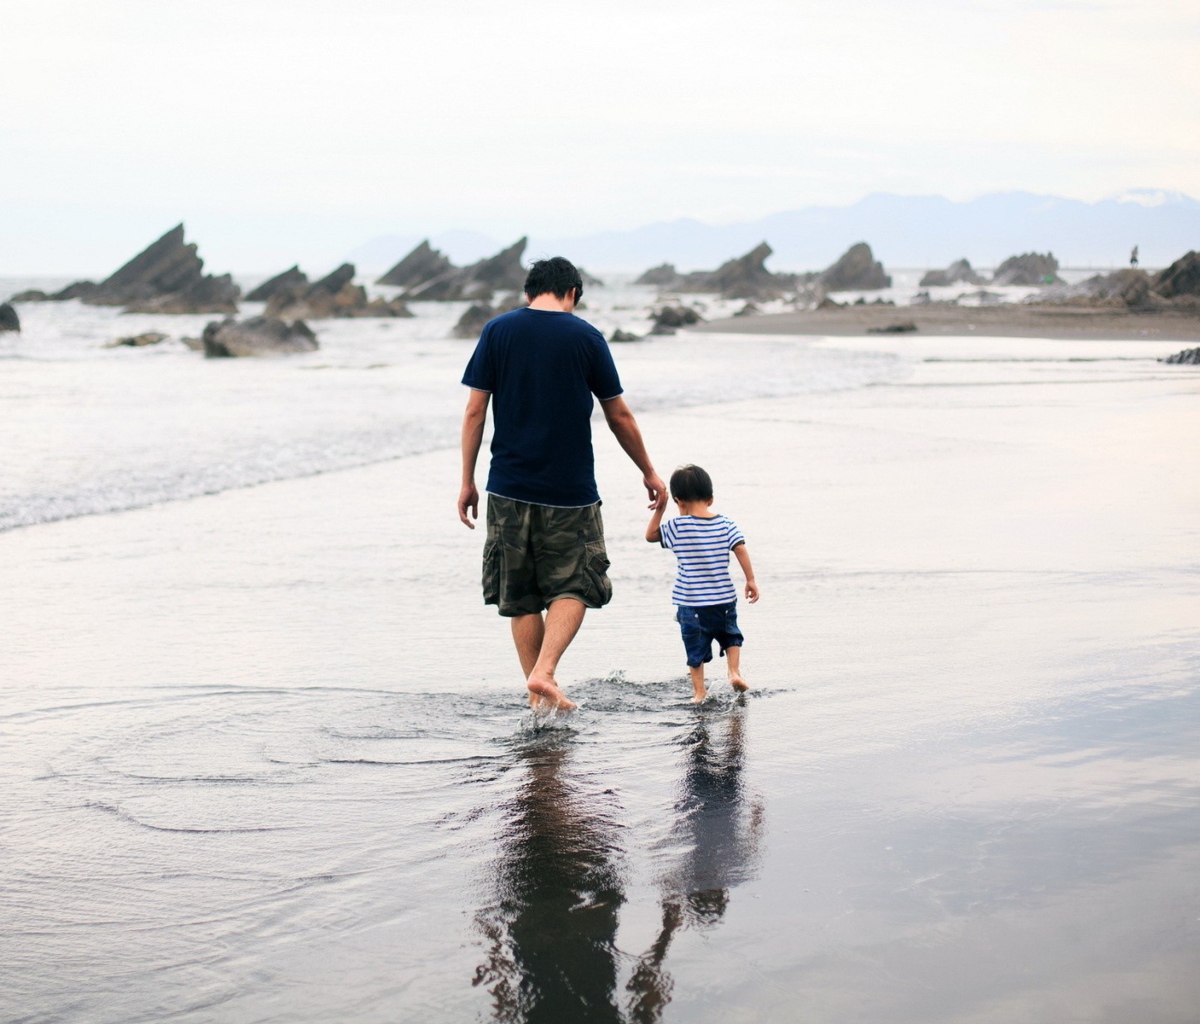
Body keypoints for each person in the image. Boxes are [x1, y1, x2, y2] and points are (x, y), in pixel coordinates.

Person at [458, 256, 667, 711]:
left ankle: (539, 700)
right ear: (572, 292)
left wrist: (467, 480)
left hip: (507, 488)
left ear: (530, 291)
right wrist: (648, 470)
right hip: (569, 491)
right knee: (575, 583)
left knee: (521, 594)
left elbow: (475, 411)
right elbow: (618, 415)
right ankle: (545, 673)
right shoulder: (586, 337)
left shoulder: (497, 331)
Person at [646, 464, 758, 702]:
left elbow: (651, 535)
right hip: (724, 599)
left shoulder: (677, 527)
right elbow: (740, 549)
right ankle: (734, 672)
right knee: (731, 635)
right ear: (710, 499)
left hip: (691, 604)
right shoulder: (726, 524)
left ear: (680, 502)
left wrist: (661, 508)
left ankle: (699, 692)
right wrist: (750, 580)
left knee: (694, 648)